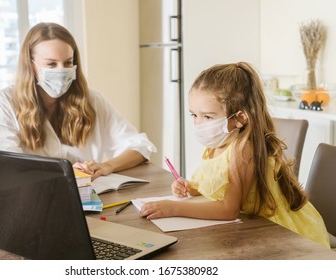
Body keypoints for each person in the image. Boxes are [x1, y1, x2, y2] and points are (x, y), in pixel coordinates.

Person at [139, 62, 331, 249]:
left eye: (207, 117)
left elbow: (228, 209)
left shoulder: (243, 149)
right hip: (246, 226)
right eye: (194, 115)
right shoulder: (218, 143)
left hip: (278, 233)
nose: (198, 123)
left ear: (240, 118)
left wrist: (173, 207)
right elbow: (218, 186)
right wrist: (191, 188)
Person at [0, 22, 156, 179]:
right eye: (51, 64)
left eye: (68, 63)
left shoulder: (92, 100)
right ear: (30, 64)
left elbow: (139, 146)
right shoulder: (7, 102)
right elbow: (3, 163)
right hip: (33, 196)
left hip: (86, 197)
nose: (61, 71)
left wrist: (106, 166)